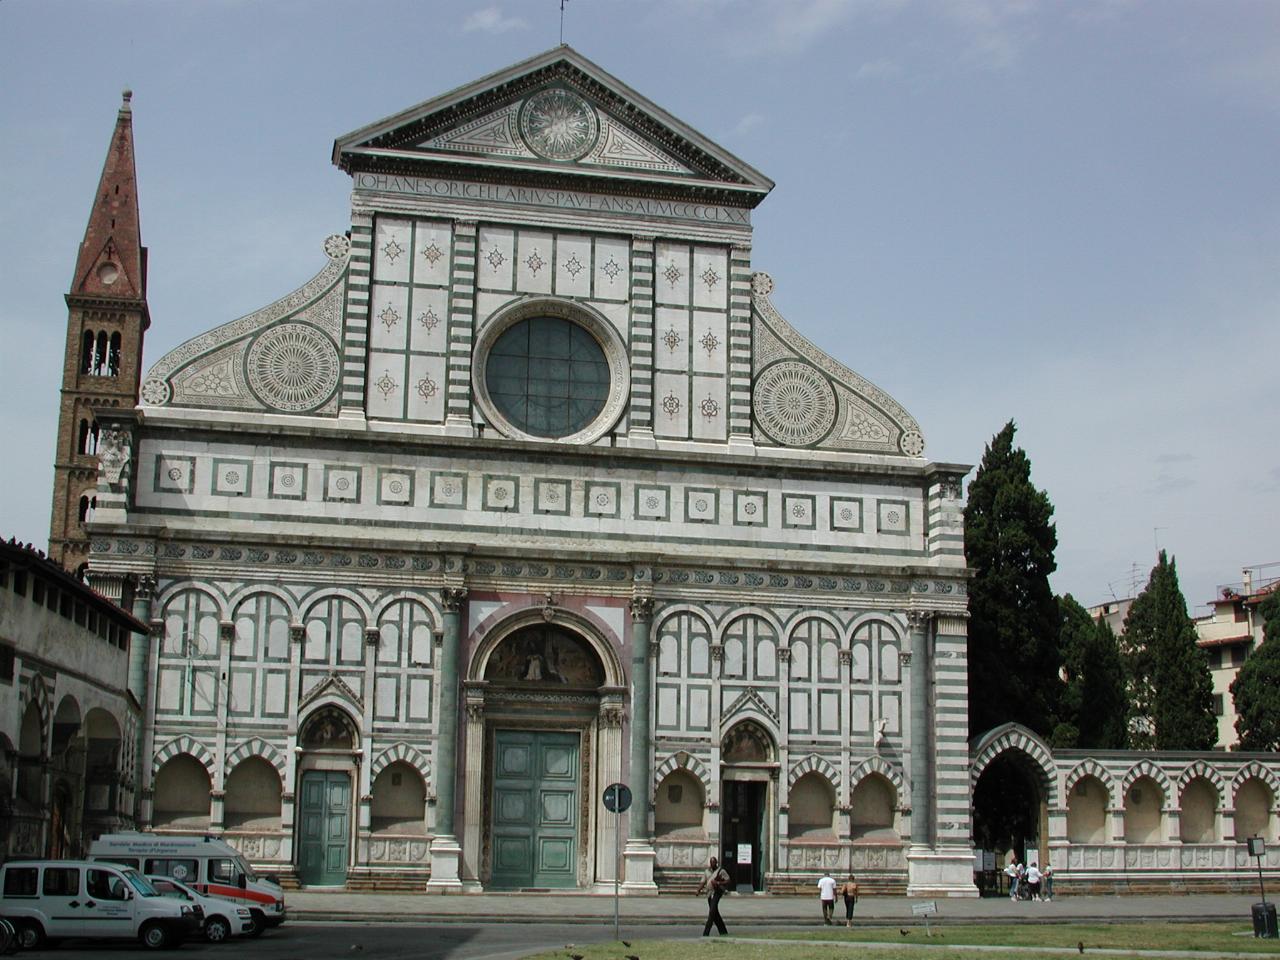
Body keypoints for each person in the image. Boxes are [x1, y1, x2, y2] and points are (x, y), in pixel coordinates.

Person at [696, 855, 730, 936]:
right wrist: (698, 890)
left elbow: (728, 880)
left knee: (711, 913)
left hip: (717, 893)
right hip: (709, 894)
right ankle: (723, 932)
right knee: (715, 914)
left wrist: (718, 883)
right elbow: (703, 882)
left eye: (714, 863)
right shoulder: (707, 871)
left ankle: (706, 933)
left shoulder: (721, 871)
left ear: (716, 863)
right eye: (711, 863)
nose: (712, 864)